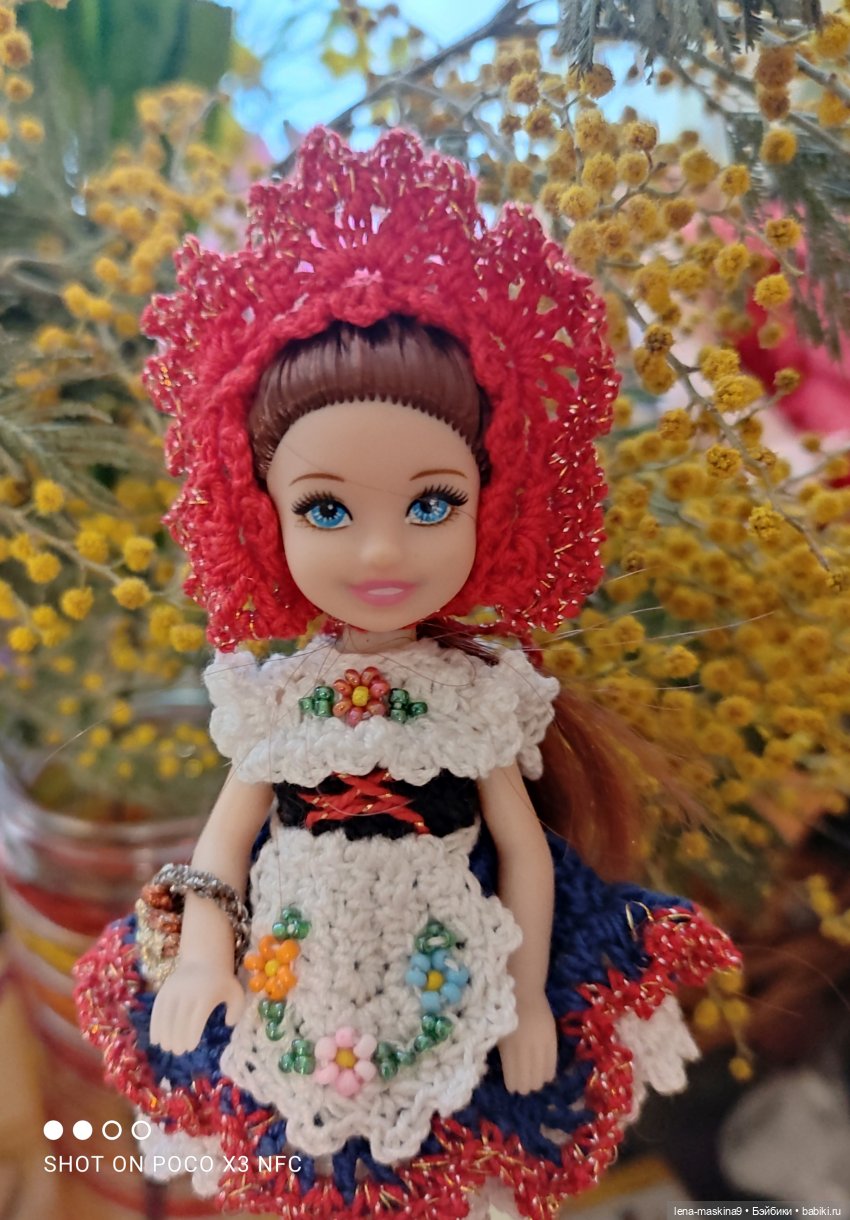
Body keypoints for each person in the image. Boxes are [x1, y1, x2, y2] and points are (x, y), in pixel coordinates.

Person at [74, 127, 738, 1220]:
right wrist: (201, 958)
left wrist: (527, 994)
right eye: (325, 510)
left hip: (449, 965)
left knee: (450, 1167)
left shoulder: (476, 696)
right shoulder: (276, 700)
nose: (382, 552)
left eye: (432, 504)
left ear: (493, 505)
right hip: (292, 972)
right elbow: (225, 841)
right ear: (264, 517)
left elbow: (521, 849)